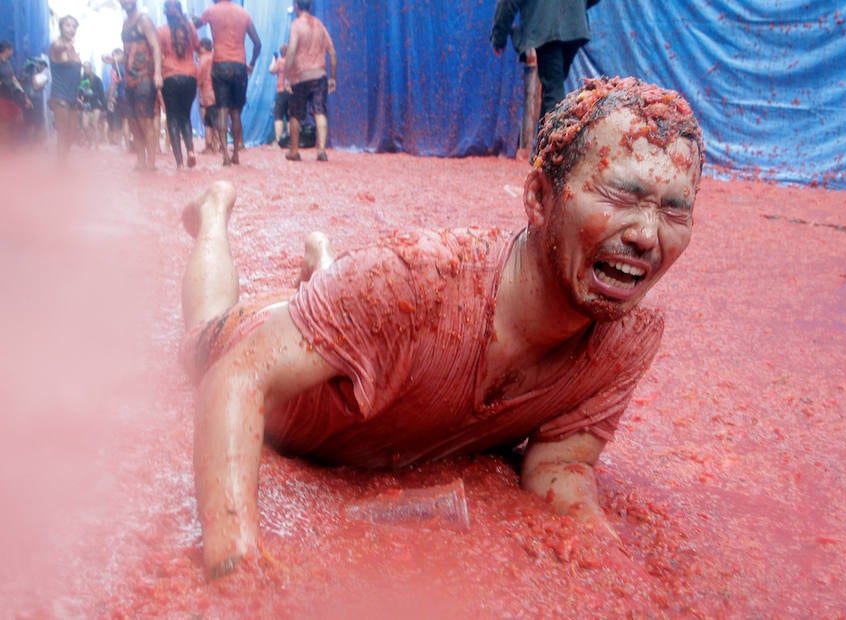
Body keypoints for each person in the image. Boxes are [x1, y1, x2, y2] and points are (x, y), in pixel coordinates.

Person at [180, 75, 704, 579]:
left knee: (355, 316)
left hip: (357, 331)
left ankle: (321, 273)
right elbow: (236, 376)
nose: (646, 235)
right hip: (267, 356)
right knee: (198, 338)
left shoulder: (627, 340)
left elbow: (561, 460)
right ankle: (213, 214)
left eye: (674, 211)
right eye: (620, 196)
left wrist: (601, 549)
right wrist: (234, 561)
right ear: (540, 198)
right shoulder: (416, 281)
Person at [491, 0, 600, 121]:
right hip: (574, 27)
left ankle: (557, 135)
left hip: (544, 28)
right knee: (551, 86)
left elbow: (507, 3)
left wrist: (499, 37)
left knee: (553, 88)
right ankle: (541, 136)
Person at [194, 0, 261, 166]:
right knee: (236, 111)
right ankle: (236, 153)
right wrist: (251, 63)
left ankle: (225, 155)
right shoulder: (243, 13)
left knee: (222, 109)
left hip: (220, 64)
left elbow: (191, 27)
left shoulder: (211, 11)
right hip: (239, 65)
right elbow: (257, 43)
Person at [283, 0, 336, 162]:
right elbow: (332, 53)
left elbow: (291, 50)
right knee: (319, 111)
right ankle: (321, 151)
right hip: (319, 75)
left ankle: (294, 151)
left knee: (295, 114)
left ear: (297, 6)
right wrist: (333, 77)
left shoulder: (296, 25)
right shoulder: (319, 24)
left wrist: (286, 76)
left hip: (299, 76)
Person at [119, 0, 163, 170]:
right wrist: (114, 59)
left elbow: (156, 47)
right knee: (133, 122)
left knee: (145, 121)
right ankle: (140, 161)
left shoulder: (143, 20)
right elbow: (126, 53)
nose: (126, 1)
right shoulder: (125, 24)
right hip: (129, 81)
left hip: (145, 77)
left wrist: (158, 73)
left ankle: (151, 162)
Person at [158, 0, 200, 169]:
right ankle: (191, 150)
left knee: (173, 118)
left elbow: (158, 53)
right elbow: (197, 46)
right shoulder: (190, 28)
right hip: (190, 75)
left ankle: (180, 162)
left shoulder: (161, 31)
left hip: (170, 76)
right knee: (185, 116)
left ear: (165, 13)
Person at [48, 16, 83, 161]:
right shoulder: (57, 45)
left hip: (72, 97)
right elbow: (56, 49)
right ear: (61, 27)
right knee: (63, 133)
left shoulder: (74, 49)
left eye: (74, 26)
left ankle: (62, 160)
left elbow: (76, 76)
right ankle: (61, 166)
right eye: (68, 25)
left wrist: (78, 95)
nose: (71, 29)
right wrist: (64, 46)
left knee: (73, 133)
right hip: (60, 96)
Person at [0, 40, 29, 145]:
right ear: (6, 50)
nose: (12, 52)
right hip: (2, 97)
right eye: (11, 50)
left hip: (11, 96)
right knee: (4, 123)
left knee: (16, 120)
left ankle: (10, 146)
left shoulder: (7, 63)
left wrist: (22, 91)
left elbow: (13, 78)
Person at [195, 37, 219, 154]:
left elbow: (200, 75)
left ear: (202, 47)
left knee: (212, 121)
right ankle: (212, 145)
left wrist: (194, 85)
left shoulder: (204, 59)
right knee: (210, 120)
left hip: (208, 93)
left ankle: (215, 145)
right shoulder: (215, 57)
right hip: (215, 92)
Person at [19, 56, 49, 144]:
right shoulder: (28, 71)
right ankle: (31, 143)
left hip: (36, 100)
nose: (41, 67)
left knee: (37, 122)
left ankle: (35, 142)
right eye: (39, 65)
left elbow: (35, 84)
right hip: (30, 99)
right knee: (30, 122)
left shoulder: (44, 75)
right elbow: (23, 82)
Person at [78, 62, 105, 148]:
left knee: (94, 124)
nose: (86, 69)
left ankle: (96, 144)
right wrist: (80, 98)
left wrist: (103, 106)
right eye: (84, 68)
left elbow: (101, 93)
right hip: (86, 103)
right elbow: (78, 93)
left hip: (95, 103)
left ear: (91, 68)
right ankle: (90, 141)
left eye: (87, 67)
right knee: (85, 125)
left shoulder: (97, 79)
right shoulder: (81, 79)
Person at [268, 43, 289, 146]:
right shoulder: (293, 62)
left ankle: (279, 140)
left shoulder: (280, 62)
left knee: (278, 116)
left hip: (281, 91)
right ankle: (291, 140)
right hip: (292, 91)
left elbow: (271, 70)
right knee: (290, 116)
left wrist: (274, 59)